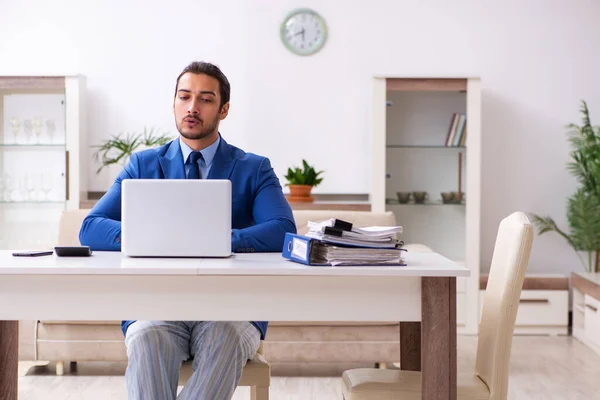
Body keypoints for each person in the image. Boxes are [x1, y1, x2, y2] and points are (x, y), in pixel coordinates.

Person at [79, 61, 296, 400]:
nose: (192, 107)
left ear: (223, 110)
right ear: (174, 103)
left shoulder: (253, 168)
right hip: (156, 303)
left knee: (224, 337)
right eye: (185, 97)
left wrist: (220, 242)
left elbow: (283, 230)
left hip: (232, 308)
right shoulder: (142, 164)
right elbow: (91, 228)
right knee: (147, 337)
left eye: (206, 99)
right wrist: (153, 238)